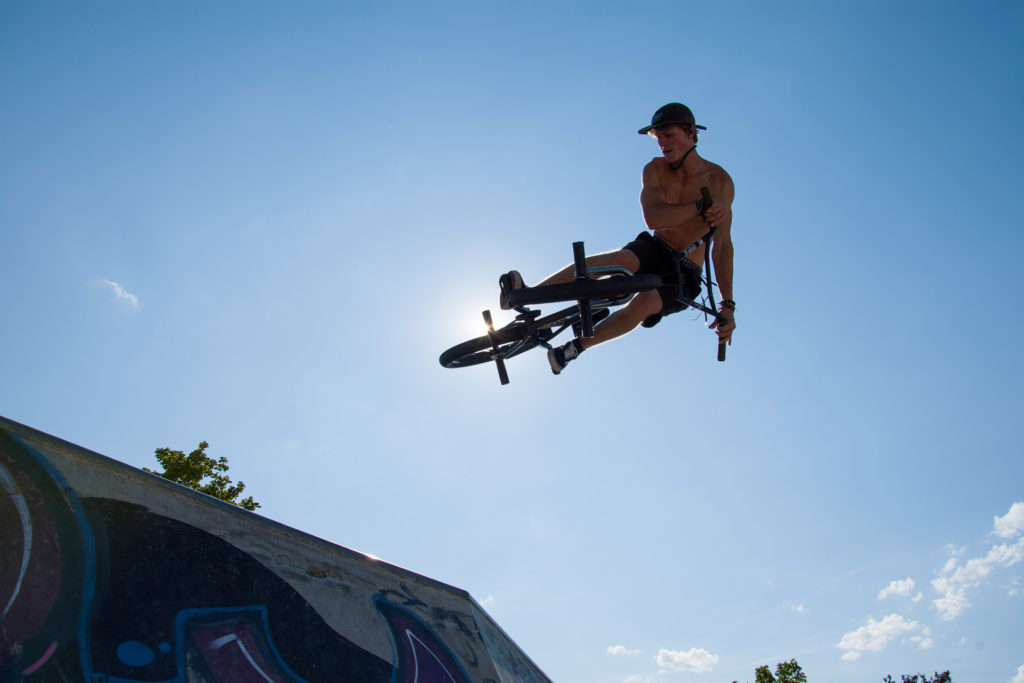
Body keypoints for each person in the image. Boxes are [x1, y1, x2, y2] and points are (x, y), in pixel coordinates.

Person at [499, 102, 736, 375]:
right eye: (658, 137)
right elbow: (654, 219)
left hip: (688, 271)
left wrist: (727, 305)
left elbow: (723, 248)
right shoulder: (655, 170)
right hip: (657, 247)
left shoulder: (719, 182)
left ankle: (573, 348)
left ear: (691, 131)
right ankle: (525, 295)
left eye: (667, 135)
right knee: (621, 260)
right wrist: (697, 207)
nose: (662, 143)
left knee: (646, 303)